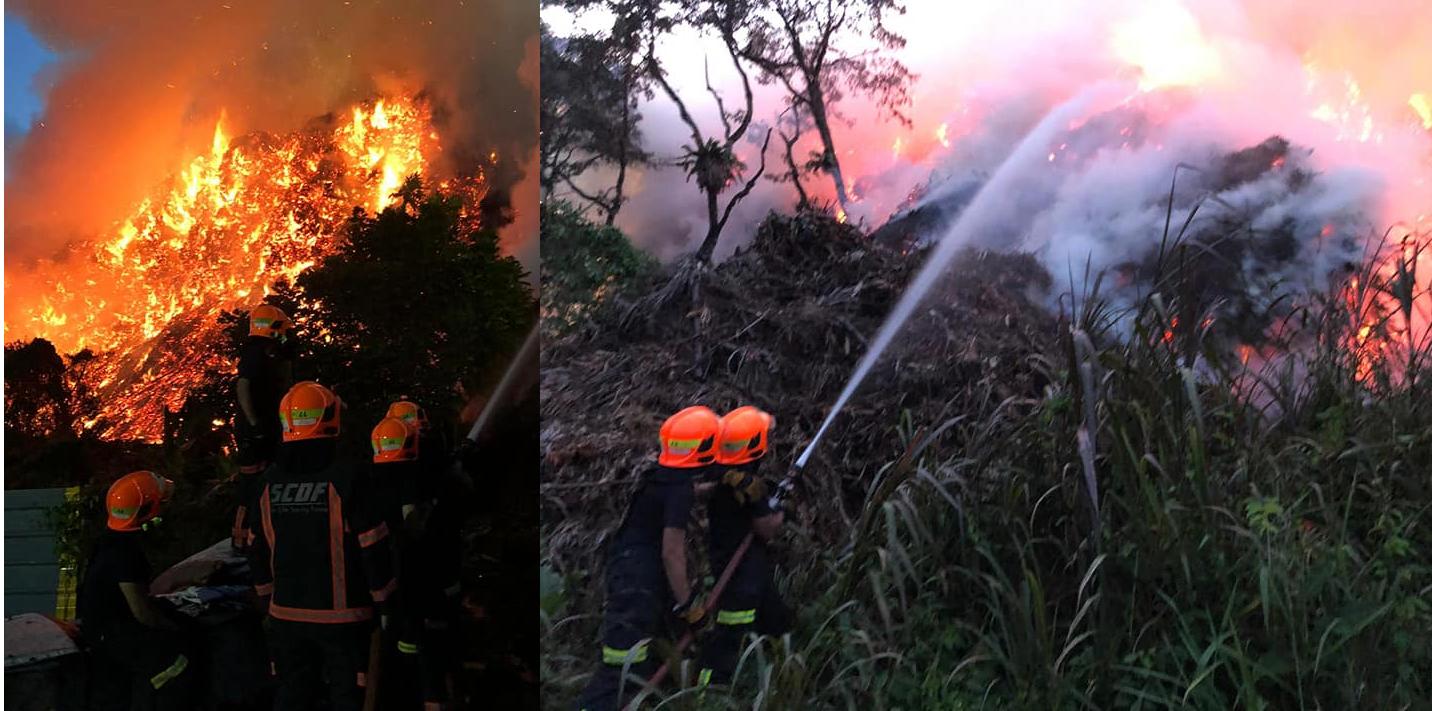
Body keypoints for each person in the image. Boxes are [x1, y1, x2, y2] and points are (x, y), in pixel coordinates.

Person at [246, 381, 398, 711]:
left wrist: (265, 599)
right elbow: (373, 547)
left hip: (285, 617)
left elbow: (255, 548)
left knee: (292, 697)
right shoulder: (349, 478)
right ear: (331, 421)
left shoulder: (267, 482)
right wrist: (385, 601)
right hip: (344, 620)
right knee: (348, 697)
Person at [574, 406, 720, 711]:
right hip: (638, 578)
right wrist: (690, 608)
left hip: (633, 569)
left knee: (649, 652)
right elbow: (672, 552)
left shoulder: (662, 475)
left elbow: (687, 492)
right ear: (705, 448)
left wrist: (722, 486)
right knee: (622, 664)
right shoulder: (678, 488)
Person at [78, 470, 193, 710]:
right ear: (145, 512)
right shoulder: (125, 553)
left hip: (99, 630)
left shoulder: (110, 539)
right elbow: (142, 612)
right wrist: (175, 629)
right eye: (159, 504)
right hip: (112, 635)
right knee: (175, 662)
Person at [696, 406, 790, 689]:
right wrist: (781, 512)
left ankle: (778, 675)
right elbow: (765, 529)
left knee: (777, 620)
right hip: (741, 573)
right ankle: (707, 690)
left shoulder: (720, 471)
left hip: (730, 561)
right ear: (754, 444)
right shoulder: (750, 482)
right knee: (729, 634)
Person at [232, 304, 294, 552]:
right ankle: (242, 540)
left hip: (265, 427)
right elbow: (243, 388)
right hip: (254, 432)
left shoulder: (269, 352)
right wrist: (255, 424)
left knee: (269, 478)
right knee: (251, 484)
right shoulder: (254, 353)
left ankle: (264, 534)